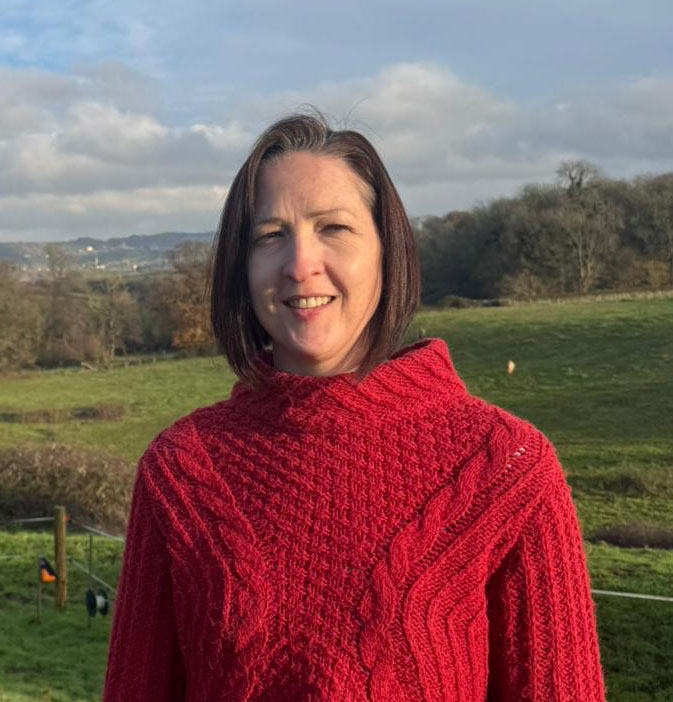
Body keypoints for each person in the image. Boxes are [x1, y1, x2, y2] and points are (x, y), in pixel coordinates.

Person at [102, 110, 607, 701]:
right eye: (270, 236)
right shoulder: (182, 469)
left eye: (333, 229)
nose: (299, 264)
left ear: (386, 251)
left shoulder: (507, 466)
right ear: (241, 268)